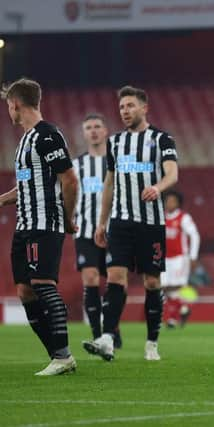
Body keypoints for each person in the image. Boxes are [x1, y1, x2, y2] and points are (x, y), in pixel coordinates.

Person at [82, 85, 178, 361]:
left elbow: (173, 173)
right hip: (120, 222)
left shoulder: (162, 139)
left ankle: (152, 343)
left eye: (130, 106)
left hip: (151, 223)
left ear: (144, 108)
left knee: (151, 282)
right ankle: (108, 338)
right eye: (122, 107)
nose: (125, 111)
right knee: (114, 276)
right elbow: (109, 184)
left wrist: (158, 188)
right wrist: (101, 223)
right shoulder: (114, 143)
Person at [0, 78, 78, 375]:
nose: (9, 111)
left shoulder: (47, 135)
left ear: (15, 104)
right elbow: (25, 188)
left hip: (45, 223)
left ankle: (63, 356)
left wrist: (68, 218)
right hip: (24, 226)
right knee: (24, 291)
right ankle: (58, 356)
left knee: (43, 285)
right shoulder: (24, 141)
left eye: (9, 106)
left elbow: (69, 179)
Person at [73, 113, 122, 348]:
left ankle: (111, 329)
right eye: (88, 127)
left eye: (97, 126)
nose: (93, 131)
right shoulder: (76, 165)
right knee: (90, 278)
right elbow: (67, 195)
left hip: (114, 232)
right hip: (85, 232)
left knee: (115, 281)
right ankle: (96, 334)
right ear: (84, 133)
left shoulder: (115, 164)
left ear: (105, 131)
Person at [161, 190, 199, 328]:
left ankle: (172, 318)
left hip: (179, 258)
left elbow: (194, 235)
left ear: (178, 203)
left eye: (173, 201)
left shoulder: (183, 217)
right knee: (164, 287)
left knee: (176, 286)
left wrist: (193, 256)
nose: (170, 203)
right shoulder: (162, 217)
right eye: (167, 201)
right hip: (164, 259)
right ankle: (183, 308)